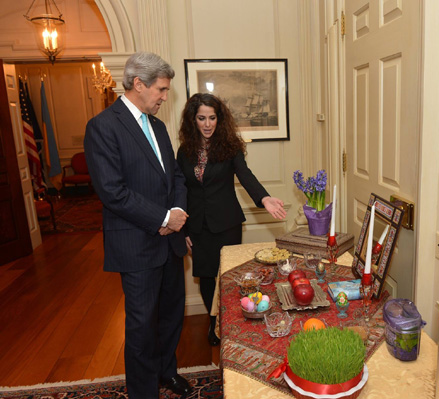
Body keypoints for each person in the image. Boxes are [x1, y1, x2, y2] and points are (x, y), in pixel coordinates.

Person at [84, 52, 192, 398]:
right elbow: (112, 192)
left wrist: (174, 214)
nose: (164, 97)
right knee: (142, 327)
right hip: (137, 245)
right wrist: (161, 218)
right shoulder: (103, 126)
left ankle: (166, 372)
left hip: (169, 243)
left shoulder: (158, 126)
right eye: (161, 90)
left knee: (171, 316)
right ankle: (144, 392)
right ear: (138, 84)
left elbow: (175, 177)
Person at [177, 93, 287, 345]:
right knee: (206, 276)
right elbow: (180, 188)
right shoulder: (184, 151)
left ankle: (232, 322)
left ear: (219, 118)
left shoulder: (229, 146)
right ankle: (213, 322)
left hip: (226, 223)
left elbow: (245, 175)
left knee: (228, 275)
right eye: (201, 118)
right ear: (193, 120)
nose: (207, 124)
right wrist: (182, 229)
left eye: (212, 118)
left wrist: (265, 198)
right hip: (197, 226)